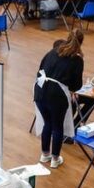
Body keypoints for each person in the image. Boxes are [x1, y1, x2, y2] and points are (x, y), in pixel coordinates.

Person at [34, 30, 84, 169]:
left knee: (47, 123)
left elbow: (40, 69)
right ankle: (55, 159)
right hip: (56, 94)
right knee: (57, 126)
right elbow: (76, 85)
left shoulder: (53, 51)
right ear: (81, 43)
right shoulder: (77, 59)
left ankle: (45, 154)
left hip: (40, 89)